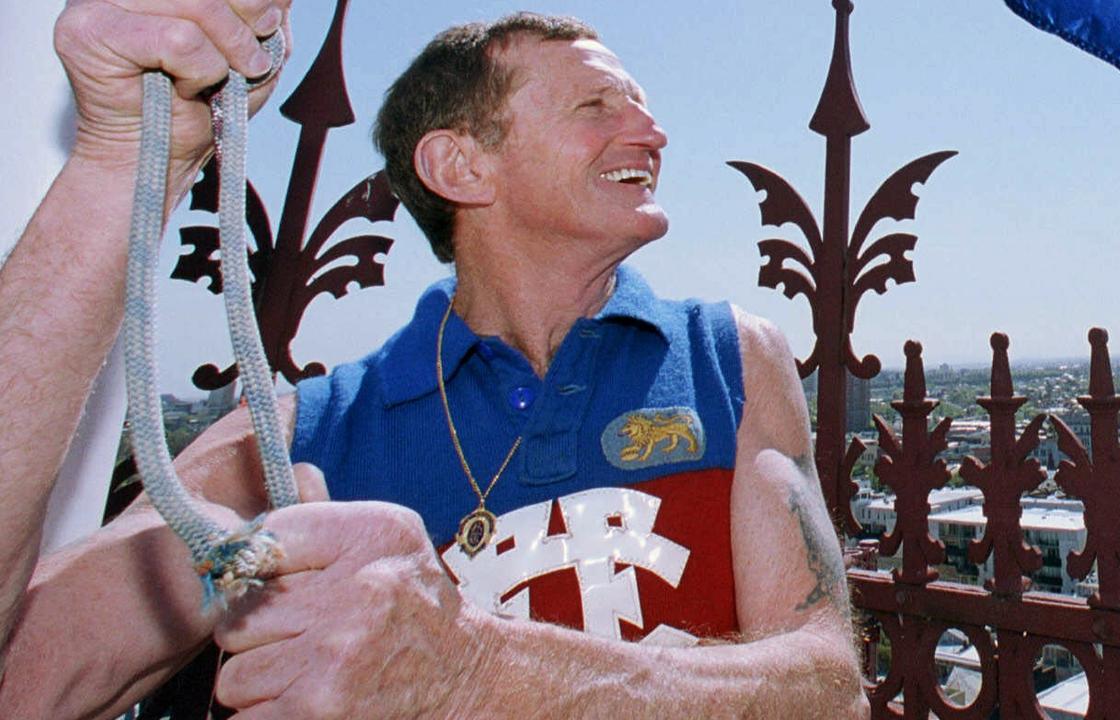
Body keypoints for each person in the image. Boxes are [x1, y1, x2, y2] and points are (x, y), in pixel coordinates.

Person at [0, 2, 869, 717]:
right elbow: (26, 680)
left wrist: (473, 670)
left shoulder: (732, 358)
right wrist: (124, 156)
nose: (654, 132)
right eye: (598, 105)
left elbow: (830, 691)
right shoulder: (304, 434)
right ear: (459, 164)